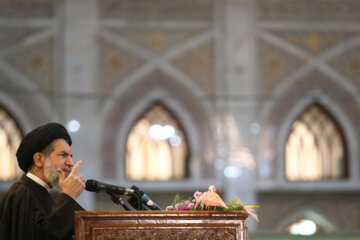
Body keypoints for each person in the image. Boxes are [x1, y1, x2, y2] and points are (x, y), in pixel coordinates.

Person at [0, 122, 86, 240]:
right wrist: (68, 196)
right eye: (63, 155)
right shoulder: (21, 194)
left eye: (71, 156)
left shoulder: (41, 194)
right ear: (39, 159)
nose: (71, 162)